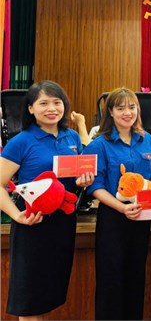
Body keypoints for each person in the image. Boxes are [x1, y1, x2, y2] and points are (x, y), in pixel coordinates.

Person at [0, 80, 94, 319]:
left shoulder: (72, 137)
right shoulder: (21, 141)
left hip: (63, 223)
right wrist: (16, 215)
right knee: (29, 299)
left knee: (49, 293)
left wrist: (82, 181)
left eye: (57, 102)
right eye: (43, 103)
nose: (51, 108)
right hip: (32, 222)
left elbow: (75, 178)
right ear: (31, 108)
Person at [83, 87, 151, 320]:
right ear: (110, 112)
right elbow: (95, 186)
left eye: (132, 107)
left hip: (142, 216)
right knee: (111, 281)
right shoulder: (99, 144)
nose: (127, 113)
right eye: (120, 108)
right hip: (113, 218)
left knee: (135, 278)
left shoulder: (146, 139)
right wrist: (121, 207)